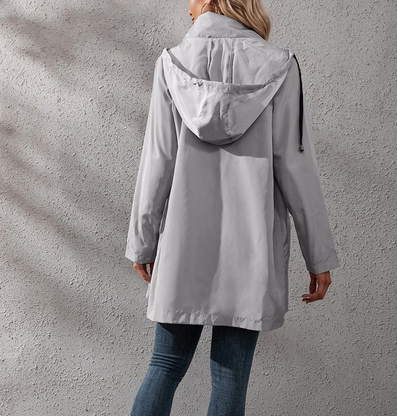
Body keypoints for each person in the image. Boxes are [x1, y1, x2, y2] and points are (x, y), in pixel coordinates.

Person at [125, 1, 340, 415]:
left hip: (185, 245)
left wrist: (142, 242)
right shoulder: (280, 66)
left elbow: (157, 160)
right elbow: (297, 167)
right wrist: (319, 257)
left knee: (165, 365)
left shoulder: (172, 64)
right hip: (251, 249)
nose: (187, 6)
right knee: (230, 377)